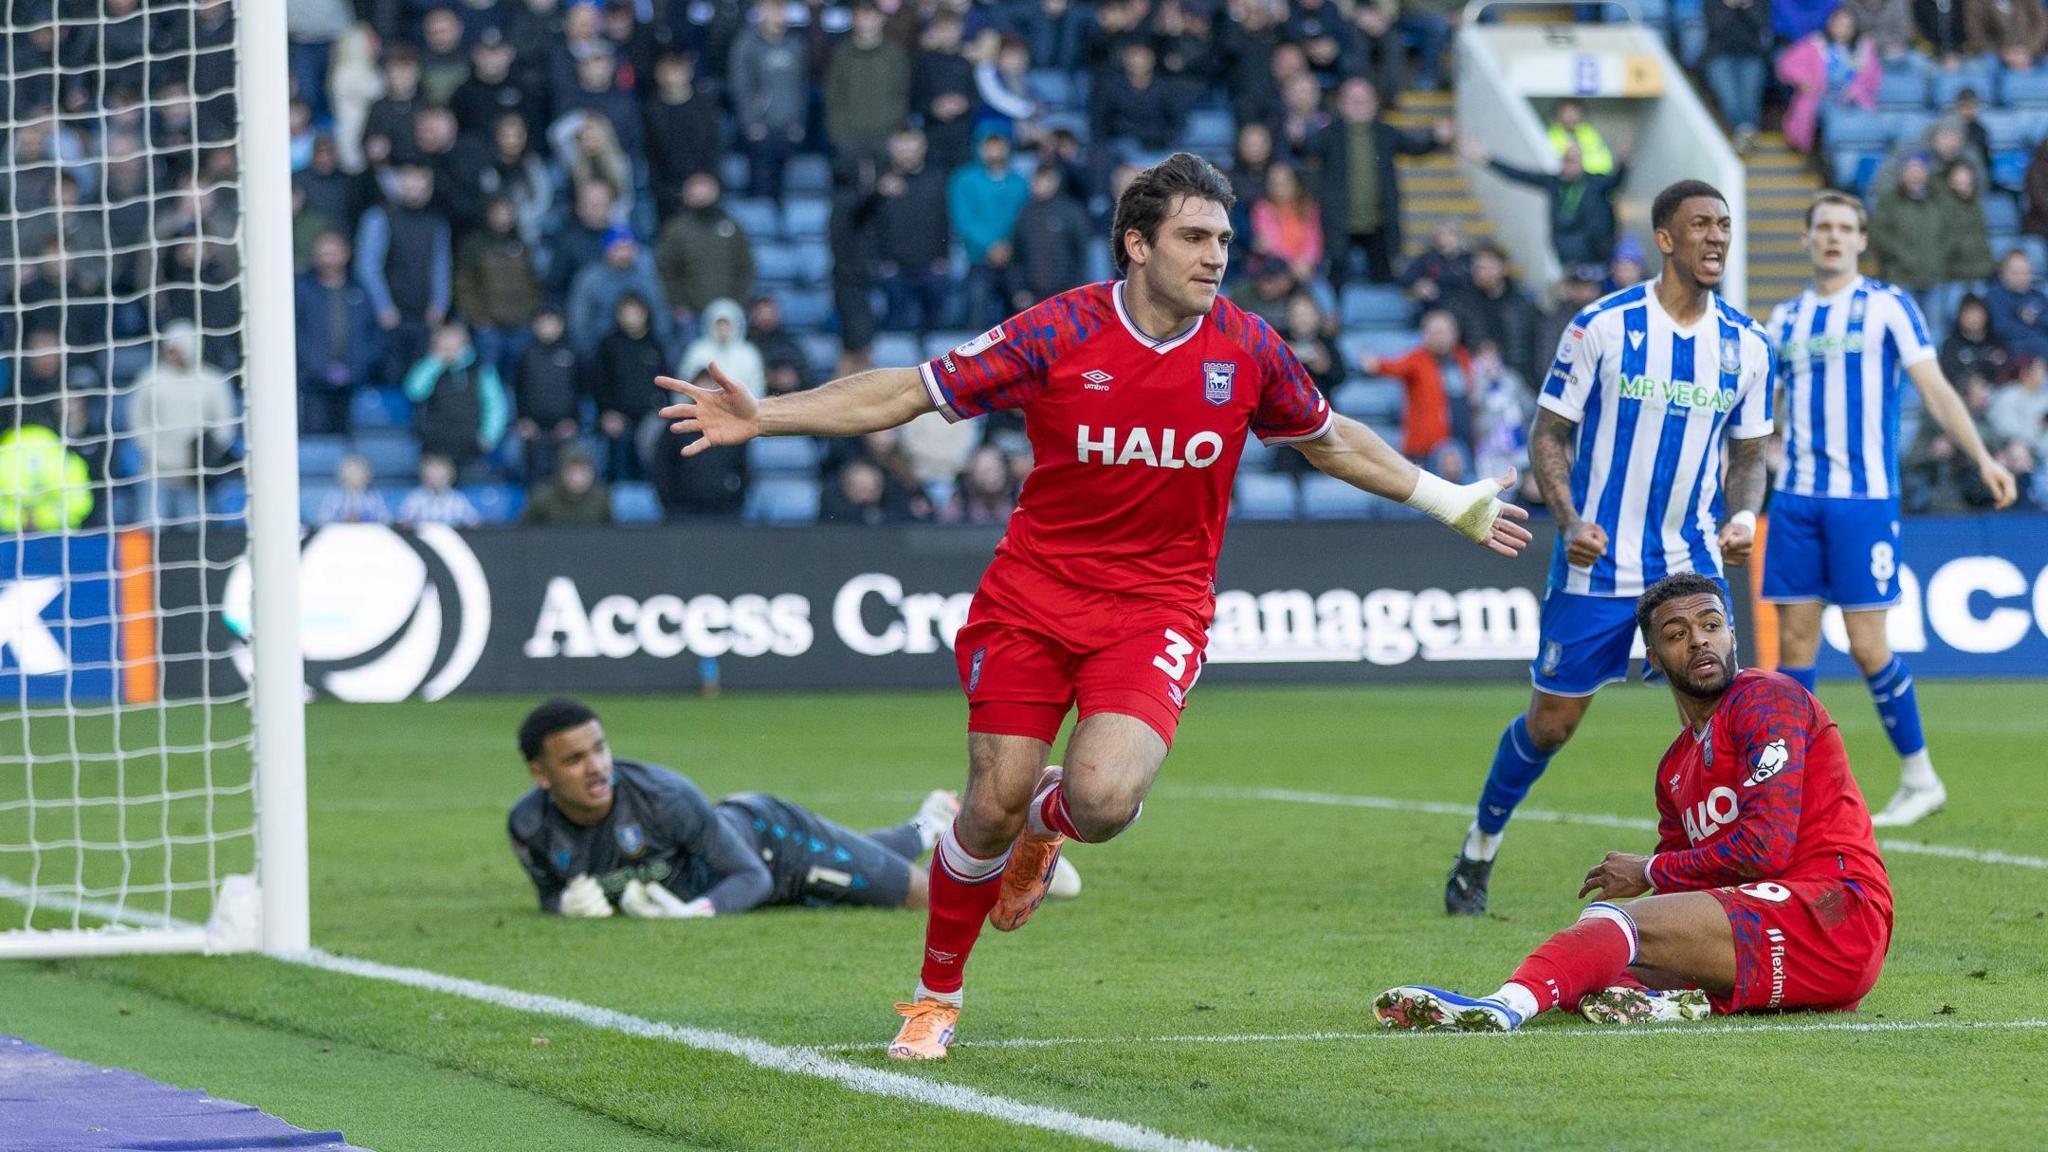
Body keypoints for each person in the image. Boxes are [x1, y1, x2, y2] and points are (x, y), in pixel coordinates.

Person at [652, 152, 1533, 1059]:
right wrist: (767, 416)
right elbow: (910, 390)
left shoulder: (1248, 347)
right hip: (1032, 599)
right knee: (985, 807)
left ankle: (1050, 827)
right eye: (1194, 237)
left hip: (1157, 608)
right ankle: (934, 998)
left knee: (1103, 800)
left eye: (1225, 239)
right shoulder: (1060, 330)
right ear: (1137, 244)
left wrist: (1446, 498)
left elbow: (1331, 439)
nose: (1216, 255)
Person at [1444, 181, 1775, 917]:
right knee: (1551, 725)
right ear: (1665, 238)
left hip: (1690, 563)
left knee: (1719, 718)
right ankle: (1478, 850)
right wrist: (1567, 518)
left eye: (1725, 225)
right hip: (1598, 562)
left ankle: (1738, 870)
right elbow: (1548, 434)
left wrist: (1744, 516)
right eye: (1700, 225)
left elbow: (1750, 452)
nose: (1717, 237)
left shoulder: (1749, 345)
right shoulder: (1601, 326)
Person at [1377, 573, 1894, 1030]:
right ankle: (1677, 1005)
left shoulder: (1766, 699)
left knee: (1614, 926)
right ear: (1653, 659)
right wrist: (1655, 881)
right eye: (1677, 635)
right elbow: (1689, 885)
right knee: (1596, 969)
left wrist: (1648, 870)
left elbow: (1764, 850)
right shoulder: (1674, 769)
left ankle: (1499, 1009)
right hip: (1781, 951)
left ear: (1733, 635)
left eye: (1711, 625)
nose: (1699, 641)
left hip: (1836, 913)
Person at [1765, 192, 2018, 827]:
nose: (1832, 236)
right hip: (1795, 498)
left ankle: (1920, 776)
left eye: (1844, 228)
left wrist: (1983, 457)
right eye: (1821, 226)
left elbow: (1934, 387)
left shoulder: (1886, 306)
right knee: (1793, 644)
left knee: (1866, 642)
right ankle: (1787, 795)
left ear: (1860, 240)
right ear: (1806, 238)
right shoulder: (1783, 319)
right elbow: (1759, 413)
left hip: (1863, 500)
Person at [507, 698, 1034, 918]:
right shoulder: (528, 827)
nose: (597, 767)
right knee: (862, 854)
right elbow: (552, 895)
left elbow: (752, 876)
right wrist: (564, 908)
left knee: (928, 896)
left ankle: (1019, 864)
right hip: (757, 859)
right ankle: (931, 823)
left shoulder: (662, 796)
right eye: (574, 760)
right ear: (540, 774)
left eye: (598, 749)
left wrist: (697, 913)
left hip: (777, 844)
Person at [1464, 138, 1629, 268]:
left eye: (1574, 160)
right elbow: (1519, 175)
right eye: (1567, 160)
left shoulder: (1595, 181)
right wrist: (1488, 159)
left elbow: (1617, 181)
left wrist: (1623, 162)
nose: (1570, 165)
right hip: (1565, 248)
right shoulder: (1553, 182)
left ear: (1581, 161)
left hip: (1594, 248)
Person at [403, 320, 510, 474]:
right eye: (444, 338)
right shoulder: (429, 367)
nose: (449, 344)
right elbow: (414, 392)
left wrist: (489, 436)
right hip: (436, 446)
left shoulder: (482, 370)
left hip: (471, 445)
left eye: (453, 337)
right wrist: (435, 362)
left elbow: (495, 405)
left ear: (464, 341)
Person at [1776, 7, 1881, 155]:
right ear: (1830, 24)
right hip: (1821, 98)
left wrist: (1855, 90)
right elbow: (1786, 63)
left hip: (1853, 100)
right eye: (1839, 25)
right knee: (1830, 119)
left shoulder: (1863, 49)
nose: (1842, 30)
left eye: (1847, 26)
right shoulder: (1816, 44)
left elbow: (1872, 77)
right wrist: (1803, 81)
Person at [1704, 0, 1771, 151]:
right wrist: (1730, 6)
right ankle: (1746, 133)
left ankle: (1742, 134)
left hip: (1751, 55)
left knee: (1749, 98)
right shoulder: (1712, 3)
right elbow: (1717, 26)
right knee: (1729, 96)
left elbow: (1761, 25)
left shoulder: (1759, 3)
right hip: (1719, 55)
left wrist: (1748, 6)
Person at [522, 444, 613, 525]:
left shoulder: (602, 498)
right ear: (561, 473)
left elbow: (612, 535)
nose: (578, 478)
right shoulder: (542, 498)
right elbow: (522, 534)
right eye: (572, 472)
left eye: (583, 471)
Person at [398, 453, 483, 527]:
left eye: (438, 472)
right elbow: (403, 525)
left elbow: (474, 523)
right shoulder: (415, 498)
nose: (434, 477)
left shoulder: (457, 499)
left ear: (450, 475)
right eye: (430, 472)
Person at [1545, 100, 1614, 175]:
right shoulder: (1553, 134)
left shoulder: (1589, 132)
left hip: (1593, 175)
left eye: (1573, 112)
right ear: (1560, 115)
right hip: (1562, 177)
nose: (1570, 116)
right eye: (1567, 113)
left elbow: (1600, 157)